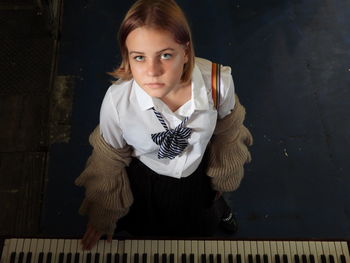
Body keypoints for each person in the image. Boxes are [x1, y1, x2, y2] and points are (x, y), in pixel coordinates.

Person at [75, 0, 253, 251]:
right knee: (146, 226)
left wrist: (225, 175)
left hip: (197, 172)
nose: (152, 71)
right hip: (145, 176)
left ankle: (220, 212)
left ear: (186, 51)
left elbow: (228, 130)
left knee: (205, 213)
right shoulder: (118, 102)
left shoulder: (217, 82)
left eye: (166, 55)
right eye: (139, 57)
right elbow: (110, 158)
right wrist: (105, 210)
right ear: (128, 57)